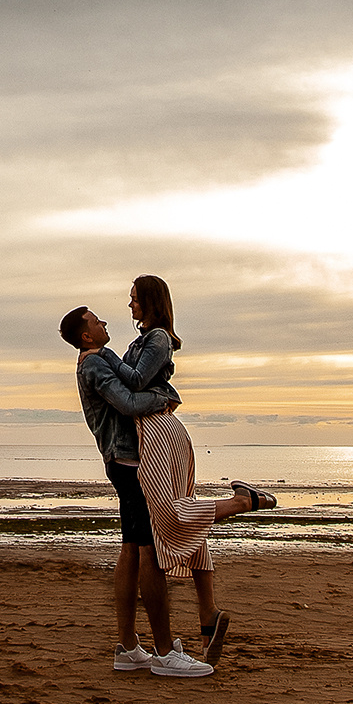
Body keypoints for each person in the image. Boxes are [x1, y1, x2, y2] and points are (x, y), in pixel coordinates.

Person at [111, 274, 277, 665]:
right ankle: (208, 614)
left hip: (157, 433)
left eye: (134, 298)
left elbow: (135, 382)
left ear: (150, 301)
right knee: (181, 515)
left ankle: (241, 502)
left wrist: (103, 357)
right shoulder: (144, 339)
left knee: (170, 514)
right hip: (155, 431)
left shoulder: (157, 339)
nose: (130, 305)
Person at [61, 305, 212, 678]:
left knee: (131, 548)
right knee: (149, 551)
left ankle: (128, 646)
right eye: (97, 321)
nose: (105, 322)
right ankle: (164, 653)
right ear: (86, 334)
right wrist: (163, 399)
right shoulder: (93, 365)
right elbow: (127, 403)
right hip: (129, 461)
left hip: (123, 459)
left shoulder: (102, 358)